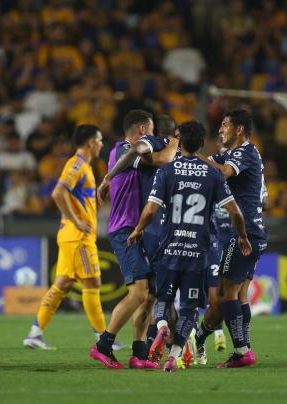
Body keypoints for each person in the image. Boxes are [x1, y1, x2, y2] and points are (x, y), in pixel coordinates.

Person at [127, 120, 251, 372]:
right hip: (199, 252)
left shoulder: (166, 171)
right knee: (189, 309)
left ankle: (161, 327)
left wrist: (138, 230)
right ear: (202, 144)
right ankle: (174, 355)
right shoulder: (213, 173)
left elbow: (151, 209)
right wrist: (242, 236)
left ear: (179, 142)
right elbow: (235, 212)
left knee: (163, 298)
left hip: (170, 247)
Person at [91, 109, 178, 369]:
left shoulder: (132, 152)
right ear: (142, 129)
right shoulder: (123, 150)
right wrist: (174, 139)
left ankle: (138, 353)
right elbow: (164, 159)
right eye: (150, 131)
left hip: (141, 229)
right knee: (138, 292)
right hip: (124, 229)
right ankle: (103, 345)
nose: (152, 135)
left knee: (149, 295)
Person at [22, 124, 113, 350]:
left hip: (71, 236)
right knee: (92, 282)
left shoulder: (85, 167)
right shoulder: (77, 164)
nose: (102, 144)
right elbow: (58, 192)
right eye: (99, 140)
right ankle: (103, 337)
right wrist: (76, 220)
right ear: (91, 142)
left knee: (62, 284)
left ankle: (34, 334)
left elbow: (74, 196)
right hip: (78, 236)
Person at [197, 109, 268, 368]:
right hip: (249, 233)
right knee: (239, 295)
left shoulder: (246, 152)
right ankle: (244, 347)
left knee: (226, 294)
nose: (220, 130)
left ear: (239, 129)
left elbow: (223, 172)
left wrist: (195, 154)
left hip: (243, 235)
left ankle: (241, 352)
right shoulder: (230, 153)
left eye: (225, 125)